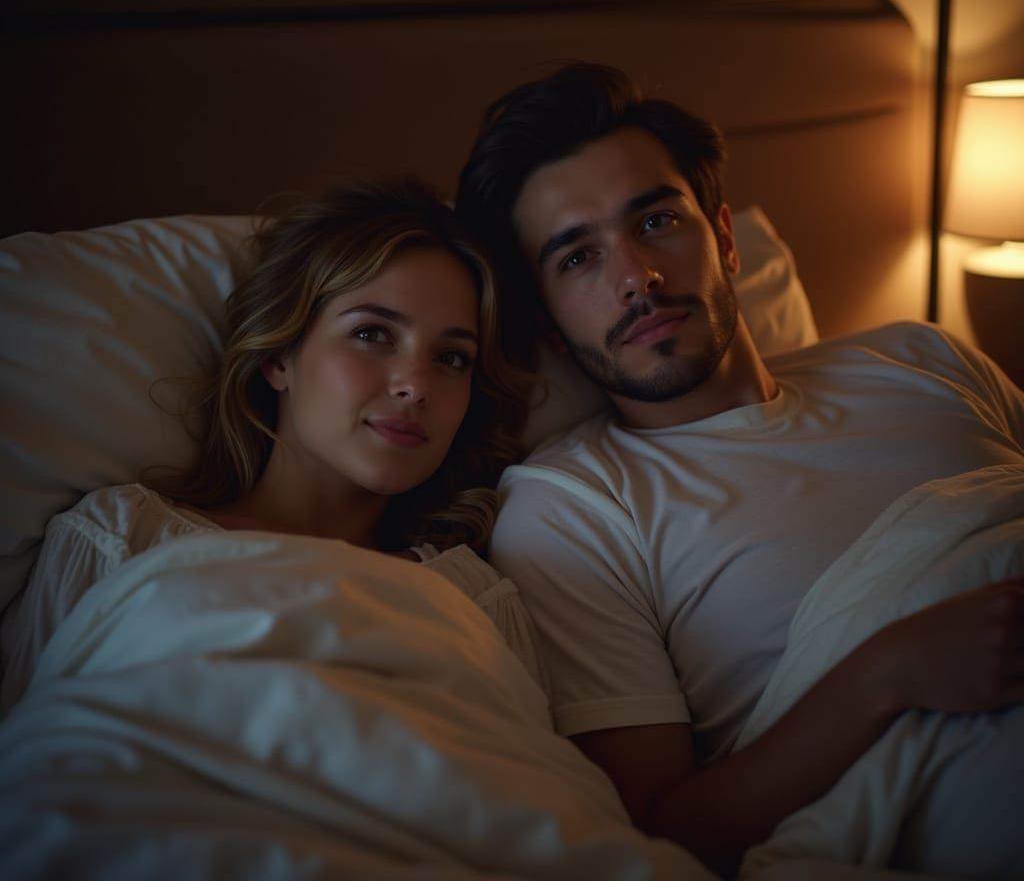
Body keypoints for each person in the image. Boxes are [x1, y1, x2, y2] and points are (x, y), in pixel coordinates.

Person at [455, 62, 1024, 876]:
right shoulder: (573, 508)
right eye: (577, 259)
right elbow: (662, 833)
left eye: (655, 222)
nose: (637, 279)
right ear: (543, 321)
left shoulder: (922, 356)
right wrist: (886, 676)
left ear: (723, 237)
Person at [1, 180, 542, 709]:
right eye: (372, 333)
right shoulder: (123, 539)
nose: (416, 385)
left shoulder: (476, 601)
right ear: (277, 357)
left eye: (451, 359)